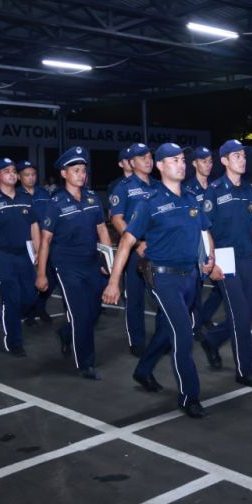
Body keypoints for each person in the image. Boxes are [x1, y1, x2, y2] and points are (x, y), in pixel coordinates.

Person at [103, 143, 216, 418]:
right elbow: (126, 242)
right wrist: (114, 281)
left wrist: (210, 258)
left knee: (167, 330)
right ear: (161, 166)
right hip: (163, 278)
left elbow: (205, 231)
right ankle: (189, 396)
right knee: (183, 334)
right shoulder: (149, 203)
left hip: (191, 277)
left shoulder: (190, 198)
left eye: (182, 160)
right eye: (174, 160)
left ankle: (143, 369)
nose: (181, 164)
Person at [200, 139, 252, 388]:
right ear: (224, 161)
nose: (242, 160)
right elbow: (205, 229)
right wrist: (211, 261)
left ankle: (212, 340)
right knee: (240, 315)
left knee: (246, 314)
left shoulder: (249, 189)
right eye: (237, 156)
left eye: (243, 156)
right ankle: (245, 371)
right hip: (223, 258)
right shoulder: (215, 190)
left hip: (244, 258)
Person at [37, 146, 111, 379]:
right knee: (80, 314)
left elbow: (102, 230)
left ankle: (66, 333)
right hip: (67, 267)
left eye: (83, 170)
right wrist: (41, 273)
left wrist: (107, 260)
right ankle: (85, 364)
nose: (81, 175)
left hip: (92, 264)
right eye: (76, 170)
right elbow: (45, 240)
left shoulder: (92, 198)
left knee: (94, 311)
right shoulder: (55, 203)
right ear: (64, 174)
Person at [0, 158, 40, 357]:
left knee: (31, 297)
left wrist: (39, 252)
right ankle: (14, 343)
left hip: (25, 255)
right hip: (3, 256)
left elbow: (34, 226)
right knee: (11, 299)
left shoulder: (25, 198)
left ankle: (7, 317)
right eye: (7, 171)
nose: (12, 174)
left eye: (14, 171)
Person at [109, 142, 158, 355]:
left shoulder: (158, 185)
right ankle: (137, 341)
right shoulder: (123, 187)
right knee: (135, 298)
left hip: (158, 248)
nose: (148, 161)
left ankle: (162, 337)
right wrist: (137, 243)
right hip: (134, 251)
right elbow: (116, 219)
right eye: (142, 157)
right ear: (131, 162)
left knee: (162, 296)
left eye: (150, 157)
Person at [183, 146, 221, 337]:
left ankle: (204, 316)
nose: (208, 165)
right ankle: (196, 326)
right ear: (194, 163)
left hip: (218, 241)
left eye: (210, 161)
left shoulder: (216, 186)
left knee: (221, 285)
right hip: (198, 243)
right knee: (195, 287)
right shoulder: (187, 189)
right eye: (204, 161)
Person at [16, 160, 55, 325]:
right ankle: (29, 312)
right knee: (29, 280)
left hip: (46, 241)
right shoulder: (15, 195)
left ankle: (40, 306)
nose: (31, 178)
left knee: (50, 278)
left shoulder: (44, 193)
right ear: (19, 177)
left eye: (33, 174)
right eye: (27, 175)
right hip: (25, 243)